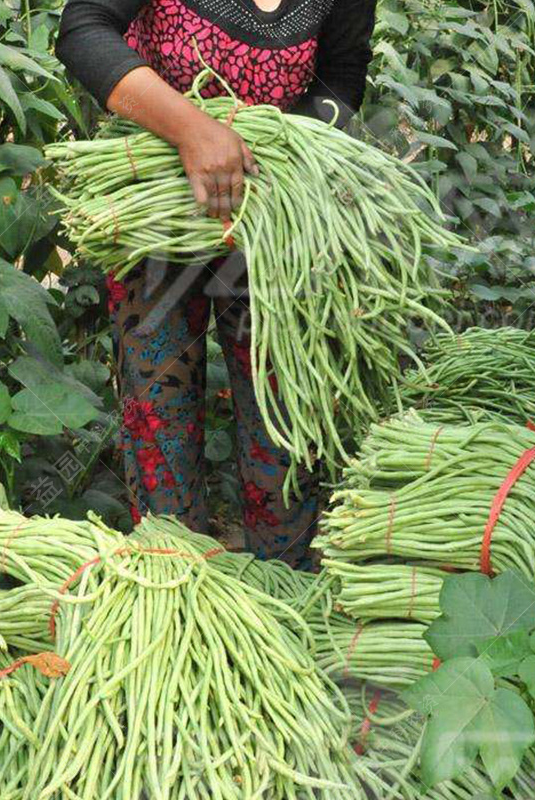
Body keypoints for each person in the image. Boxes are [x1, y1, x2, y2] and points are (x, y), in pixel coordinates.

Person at [56, 0, 377, 567]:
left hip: (272, 218)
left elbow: (342, 75)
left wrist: (274, 147)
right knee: (159, 413)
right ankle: (177, 593)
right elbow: (84, 29)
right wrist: (192, 130)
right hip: (154, 206)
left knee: (284, 423)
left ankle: (287, 595)